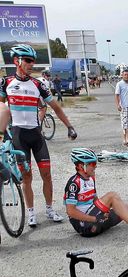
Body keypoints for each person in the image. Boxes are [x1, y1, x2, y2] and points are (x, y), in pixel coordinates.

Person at [0, 44, 77, 227]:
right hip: (18, 135)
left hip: (35, 134)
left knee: (47, 175)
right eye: (27, 60)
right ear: (16, 61)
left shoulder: (38, 85)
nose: (31, 64)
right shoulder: (6, 83)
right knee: (27, 177)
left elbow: (56, 108)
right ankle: (31, 212)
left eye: (33, 61)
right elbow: (1, 108)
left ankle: (49, 209)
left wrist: (69, 126)